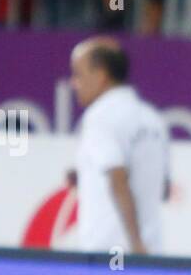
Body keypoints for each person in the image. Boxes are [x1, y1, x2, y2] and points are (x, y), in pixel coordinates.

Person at [70, 38, 168, 256]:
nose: (73, 83)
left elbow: (117, 178)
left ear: (101, 75)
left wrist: (136, 243)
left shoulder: (99, 118)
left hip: (109, 252)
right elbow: (163, 188)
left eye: (78, 74)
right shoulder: (152, 118)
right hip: (153, 252)